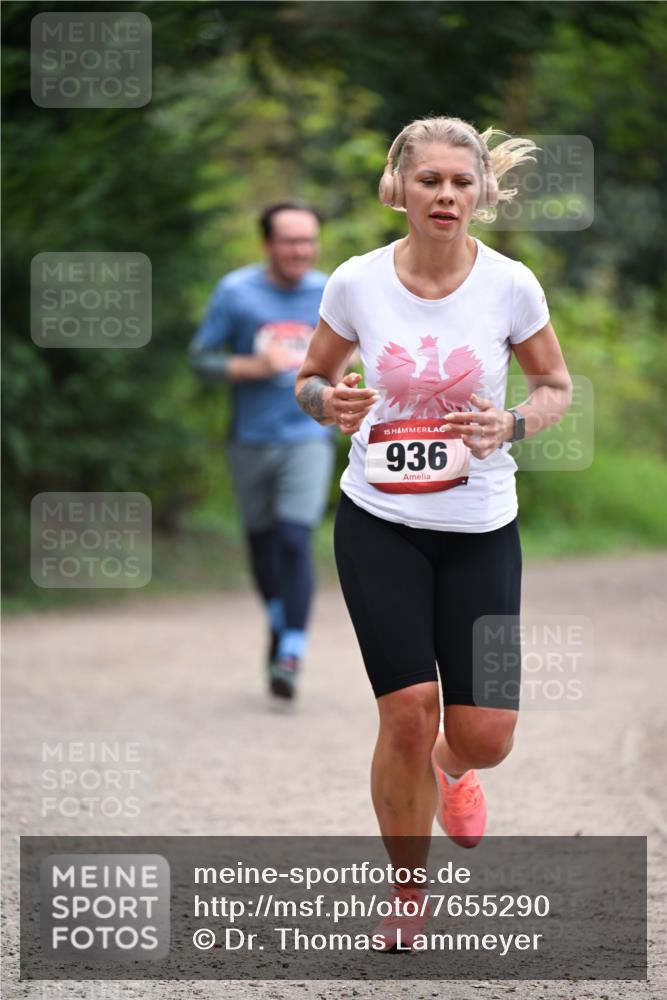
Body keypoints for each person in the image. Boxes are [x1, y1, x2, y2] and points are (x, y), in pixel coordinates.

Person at [295, 117, 572, 948]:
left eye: (460, 182)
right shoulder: (354, 281)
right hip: (379, 520)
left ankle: (453, 773)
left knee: (483, 735)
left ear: (480, 192)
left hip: (481, 525)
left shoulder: (511, 285)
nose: (445, 195)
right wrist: (326, 404)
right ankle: (407, 890)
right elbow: (311, 378)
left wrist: (513, 426)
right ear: (398, 189)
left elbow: (555, 385)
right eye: (429, 181)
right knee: (409, 711)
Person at [190, 201, 334, 700]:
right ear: (268, 244)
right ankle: (280, 623)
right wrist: (252, 366)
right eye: (290, 240)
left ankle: (292, 649)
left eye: (308, 240)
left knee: (296, 540)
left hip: (308, 437)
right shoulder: (236, 292)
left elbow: (363, 348)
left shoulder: (330, 292)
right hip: (249, 438)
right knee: (262, 548)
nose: (301, 250)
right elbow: (202, 359)